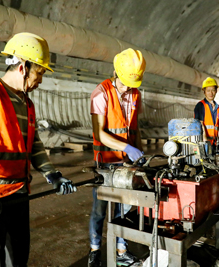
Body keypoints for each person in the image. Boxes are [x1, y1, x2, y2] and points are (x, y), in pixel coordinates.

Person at [0, 32, 77, 267]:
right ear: (23, 67)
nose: (40, 80)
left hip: (18, 192)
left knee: (17, 258)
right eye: (39, 72)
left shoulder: (26, 103)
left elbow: (34, 146)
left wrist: (52, 174)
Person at [88, 48, 145, 267]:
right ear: (115, 73)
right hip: (105, 162)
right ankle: (95, 250)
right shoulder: (100, 94)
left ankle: (122, 250)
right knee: (99, 209)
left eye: (132, 83)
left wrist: (138, 154)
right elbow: (100, 132)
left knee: (125, 208)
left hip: (127, 163)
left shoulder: (135, 93)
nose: (128, 87)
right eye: (124, 82)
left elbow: (135, 127)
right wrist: (126, 147)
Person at [194, 77, 219, 156]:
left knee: (212, 166)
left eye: (213, 90)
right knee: (202, 167)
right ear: (204, 92)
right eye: (208, 90)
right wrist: (205, 143)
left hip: (213, 144)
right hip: (203, 144)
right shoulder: (200, 106)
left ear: (216, 91)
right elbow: (200, 125)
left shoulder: (218, 108)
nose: (211, 93)